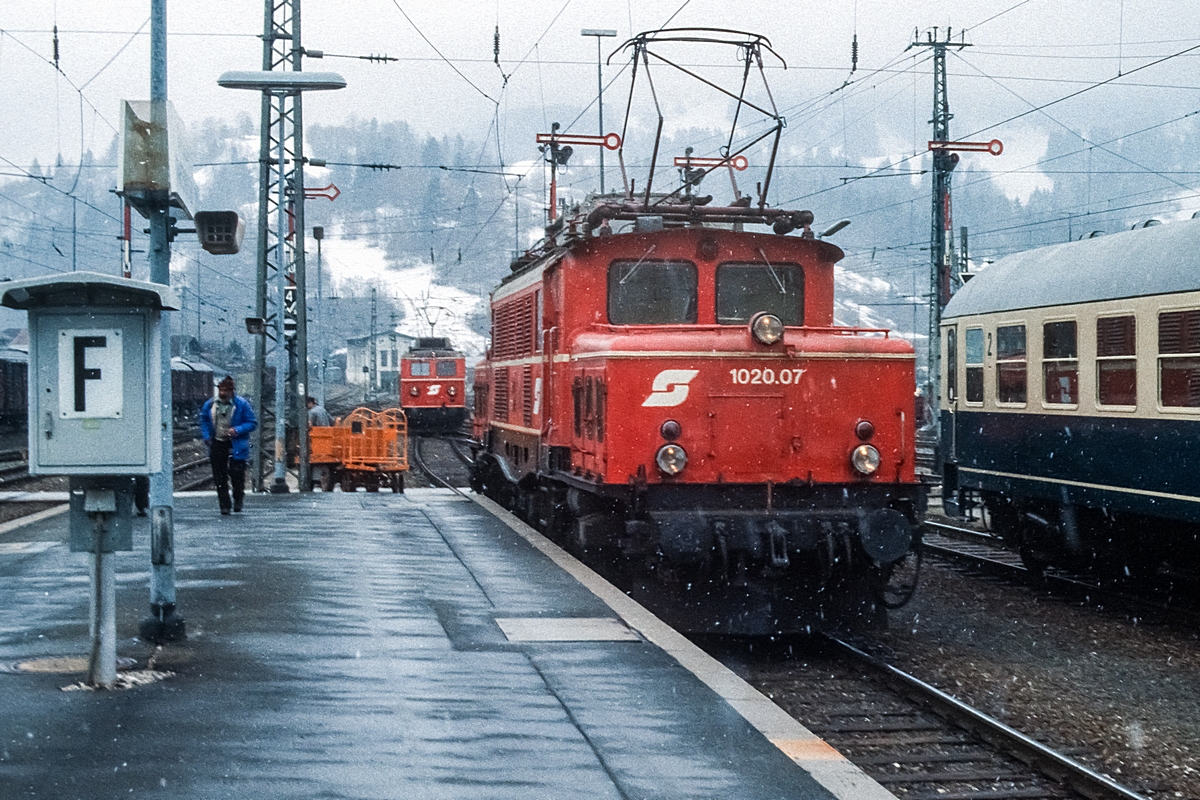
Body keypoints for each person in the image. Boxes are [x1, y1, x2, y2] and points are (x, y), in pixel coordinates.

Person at [200, 375, 257, 515]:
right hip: (217, 442)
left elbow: (252, 423)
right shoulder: (210, 404)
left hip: (236, 444)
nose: (223, 393)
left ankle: (238, 499)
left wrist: (237, 430)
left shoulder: (242, 405)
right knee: (219, 476)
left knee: (237, 474)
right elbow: (204, 421)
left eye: (226, 390)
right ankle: (224, 505)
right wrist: (207, 436)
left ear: (232, 391)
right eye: (221, 390)